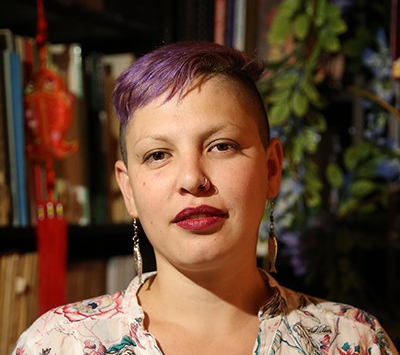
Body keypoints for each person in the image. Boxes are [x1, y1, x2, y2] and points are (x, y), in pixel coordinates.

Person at [12, 41, 398, 355]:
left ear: (271, 170)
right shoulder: (59, 343)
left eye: (221, 146)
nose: (192, 178)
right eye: (158, 155)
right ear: (128, 188)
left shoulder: (352, 340)